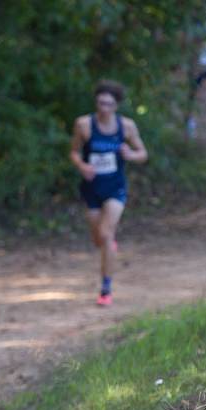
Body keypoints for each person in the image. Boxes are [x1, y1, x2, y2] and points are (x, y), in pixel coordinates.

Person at [69, 80, 148, 307]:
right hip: (92, 189)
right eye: (100, 103)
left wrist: (130, 154)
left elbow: (143, 153)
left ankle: (106, 288)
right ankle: (108, 246)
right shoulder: (84, 125)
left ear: (116, 105)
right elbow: (74, 152)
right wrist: (82, 166)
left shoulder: (127, 127)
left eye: (109, 104)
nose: (103, 108)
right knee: (99, 239)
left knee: (106, 232)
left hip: (115, 187)